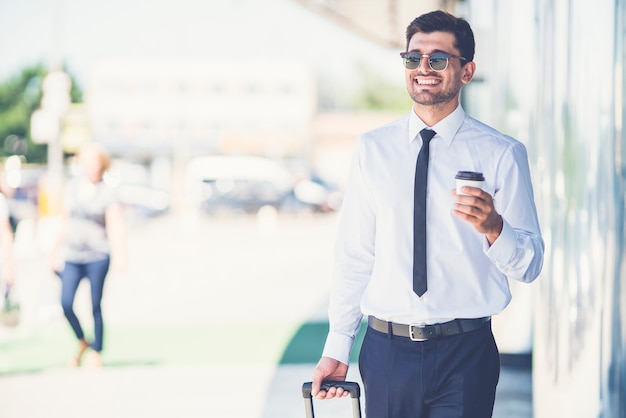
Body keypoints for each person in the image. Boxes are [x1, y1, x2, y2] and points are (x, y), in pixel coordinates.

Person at [311, 10, 544, 418]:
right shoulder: (373, 149)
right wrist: (337, 345)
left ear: (466, 71)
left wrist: (494, 228)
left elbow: (530, 264)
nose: (423, 68)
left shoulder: (502, 154)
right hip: (386, 353)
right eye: (412, 58)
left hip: (466, 354)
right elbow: (355, 255)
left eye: (438, 59)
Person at [49, 142, 126, 368]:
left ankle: (97, 350)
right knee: (66, 302)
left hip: (98, 254)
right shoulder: (72, 188)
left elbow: (114, 225)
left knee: (95, 303)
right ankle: (82, 341)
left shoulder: (107, 191)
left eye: (95, 162)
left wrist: (120, 254)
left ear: (101, 165)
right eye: (87, 161)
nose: (91, 166)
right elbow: (63, 221)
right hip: (72, 254)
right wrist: (52, 252)